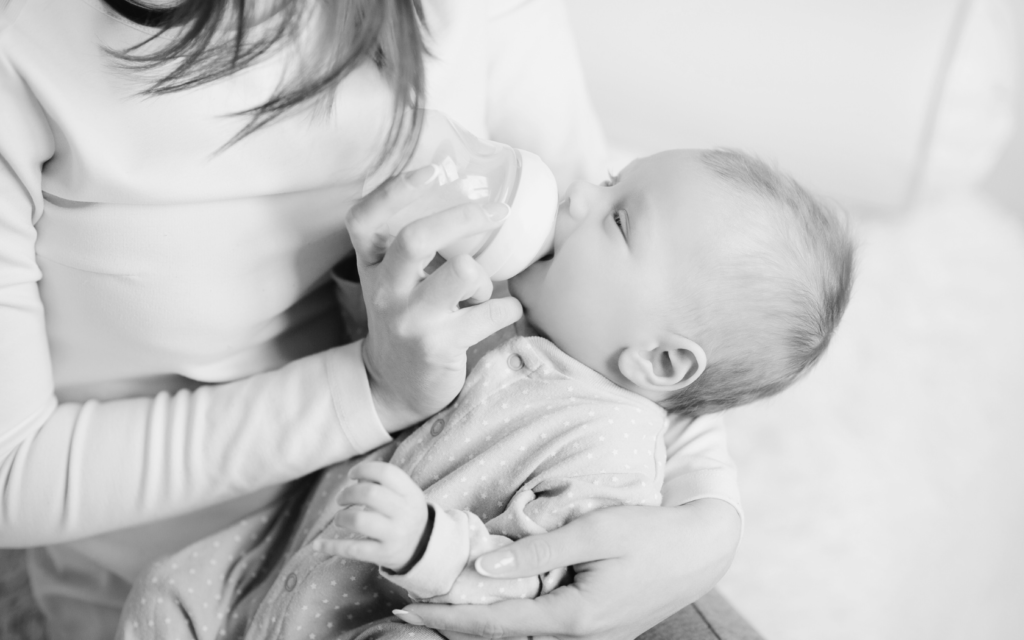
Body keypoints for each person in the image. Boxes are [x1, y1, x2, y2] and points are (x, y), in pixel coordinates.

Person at [0, 1, 740, 638]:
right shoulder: (25, 52)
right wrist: (373, 388)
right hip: (194, 582)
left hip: (445, 580)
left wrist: (709, 517)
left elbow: (664, 294)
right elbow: (12, 472)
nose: (581, 197)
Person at [116, 148, 855, 640]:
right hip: (282, 564)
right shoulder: (510, 313)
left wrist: (429, 545)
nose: (576, 194)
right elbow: (389, 370)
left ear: (658, 361)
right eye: (608, 180)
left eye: (618, 217)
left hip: (381, 607)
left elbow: (536, 583)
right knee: (164, 594)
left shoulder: (611, 451)